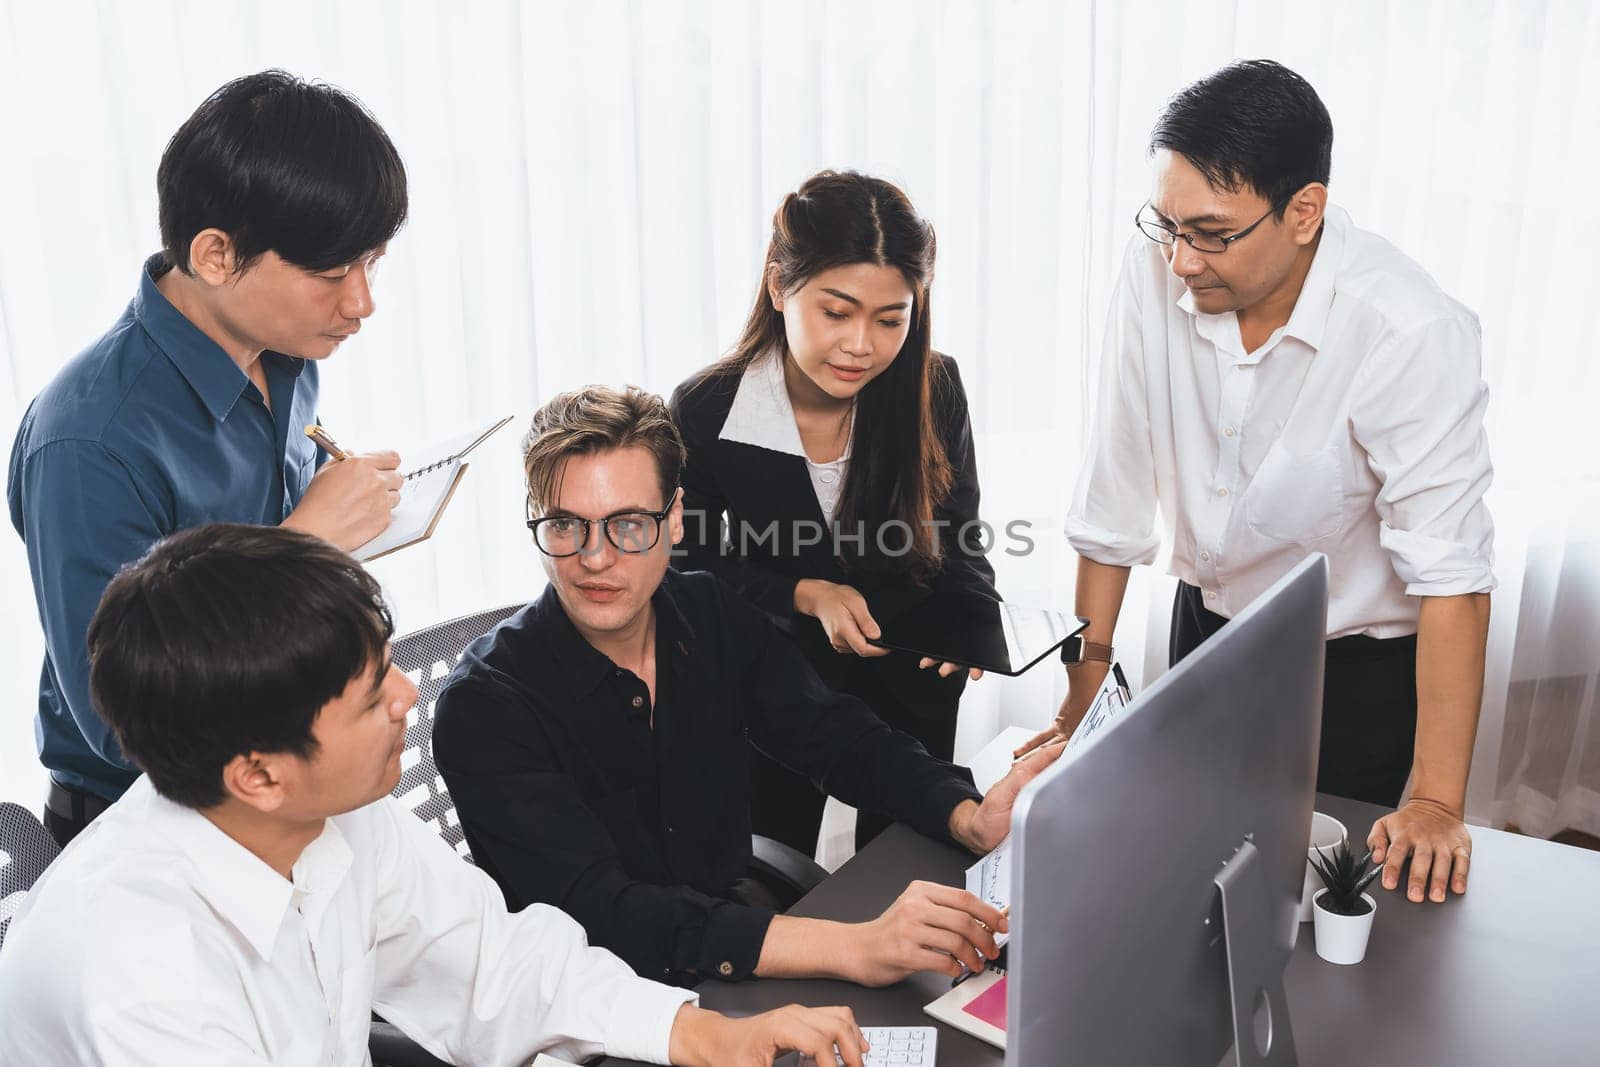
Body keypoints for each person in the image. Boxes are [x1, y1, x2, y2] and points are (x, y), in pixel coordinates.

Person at [0, 523, 872, 1067]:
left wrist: (705, 1035)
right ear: (257, 772)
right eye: (373, 690)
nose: (409, 697)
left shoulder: (329, 811)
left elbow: (495, 961)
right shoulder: (137, 977)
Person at [1014, 60, 1494, 906]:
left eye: (1209, 232)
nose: (1178, 259)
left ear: (1303, 211)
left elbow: (1451, 573)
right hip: (1210, 629)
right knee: (1194, 879)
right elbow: (1114, 496)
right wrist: (1084, 694)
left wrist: (1434, 800)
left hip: (1355, 668)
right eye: (1165, 225)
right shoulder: (1156, 267)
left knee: (1333, 912)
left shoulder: (1407, 329)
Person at [431, 386, 1062, 989]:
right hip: (597, 1002)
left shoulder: (709, 610)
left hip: (733, 952)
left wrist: (969, 815)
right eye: (566, 525)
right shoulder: (484, 705)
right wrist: (852, 947)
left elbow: (835, 736)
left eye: (628, 524)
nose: (595, 558)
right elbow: (605, 914)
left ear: (675, 519)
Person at [7, 70, 407, 847]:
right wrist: (304, 546)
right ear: (217, 256)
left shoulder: (288, 355)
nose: (361, 304)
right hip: (146, 832)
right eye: (332, 275)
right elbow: (118, 725)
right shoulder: (89, 440)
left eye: (372, 264)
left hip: (280, 784)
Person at [670, 169, 999, 855]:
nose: (861, 346)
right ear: (778, 286)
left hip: (908, 681)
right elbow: (688, 567)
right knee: (768, 873)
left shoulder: (935, 388)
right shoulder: (706, 408)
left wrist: (969, 621)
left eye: (890, 319)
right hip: (773, 686)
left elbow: (960, 536)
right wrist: (802, 592)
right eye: (836, 311)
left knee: (905, 873)